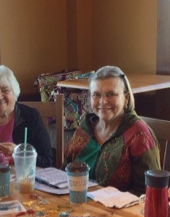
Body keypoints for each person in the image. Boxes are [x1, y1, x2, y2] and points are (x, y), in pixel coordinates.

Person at [64, 65, 160, 195]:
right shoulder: (85, 128)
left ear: (126, 98)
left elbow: (150, 192)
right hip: (77, 204)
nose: (103, 101)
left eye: (111, 94)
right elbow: (64, 172)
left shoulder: (140, 135)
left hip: (121, 208)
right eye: (96, 95)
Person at [0, 65, 53, 167]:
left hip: (22, 176)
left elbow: (47, 161)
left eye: (5, 90)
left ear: (14, 92)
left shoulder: (31, 117)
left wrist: (18, 151)